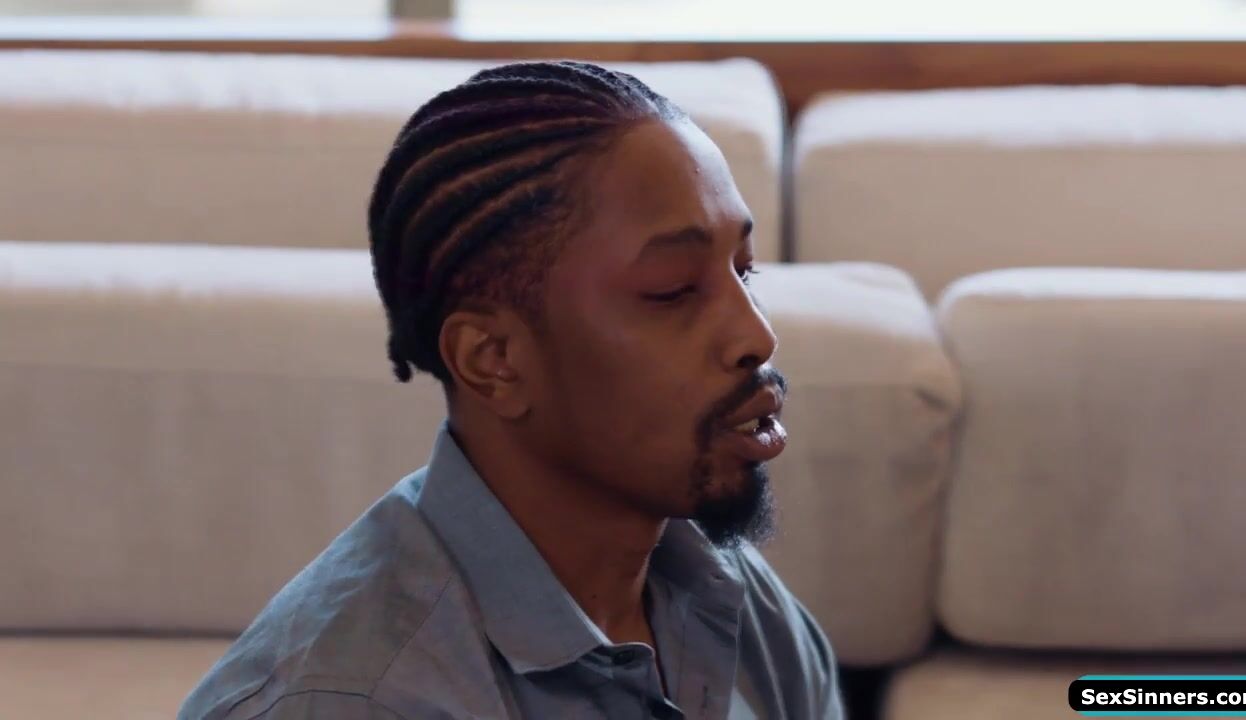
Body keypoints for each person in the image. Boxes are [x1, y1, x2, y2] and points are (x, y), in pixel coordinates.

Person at [179, 60, 844, 720]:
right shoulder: (352, 701)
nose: (756, 335)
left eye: (744, 272)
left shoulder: (724, 588)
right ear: (493, 360)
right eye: (673, 290)